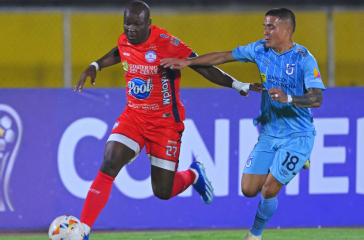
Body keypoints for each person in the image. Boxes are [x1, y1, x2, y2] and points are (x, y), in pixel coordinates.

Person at [74, 1, 262, 239]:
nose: (130, 29)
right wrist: (95, 65)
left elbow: (202, 66)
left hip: (165, 123)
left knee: (162, 191)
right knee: (110, 161)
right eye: (127, 23)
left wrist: (237, 84)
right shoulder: (125, 39)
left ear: (149, 24)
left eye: (136, 24)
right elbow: (120, 50)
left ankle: (194, 175)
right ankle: (83, 230)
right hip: (134, 115)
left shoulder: (166, 43)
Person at [161, 8, 325, 240]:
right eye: (264, 27)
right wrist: (188, 62)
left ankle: (254, 234)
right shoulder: (259, 49)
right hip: (269, 132)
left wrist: (289, 98)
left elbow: (317, 98)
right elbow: (222, 56)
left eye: (271, 27)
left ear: (287, 31)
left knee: (268, 190)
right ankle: (295, 162)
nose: (266, 32)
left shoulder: (303, 59)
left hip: (298, 135)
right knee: (248, 190)